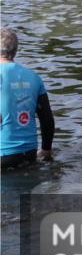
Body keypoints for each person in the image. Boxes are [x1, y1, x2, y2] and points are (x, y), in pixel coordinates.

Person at [1, 27, 55, 169]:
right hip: (29, 154)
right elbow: (47, 119)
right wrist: (46, 150)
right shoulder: (34, 77)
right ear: (15, 50)